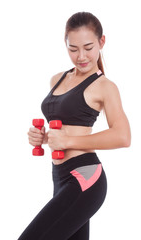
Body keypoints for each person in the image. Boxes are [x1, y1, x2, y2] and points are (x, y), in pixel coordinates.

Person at [18, 12, 131, 240]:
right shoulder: (57, 79)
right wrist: (42, 137)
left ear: (102, 42)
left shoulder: (105, 87)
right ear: (65, 44)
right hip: (59, 175)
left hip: (85, 177)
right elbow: (62, 129)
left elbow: (123, 136)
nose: (81, 56)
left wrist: (69, 141)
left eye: (88, 47)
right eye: (73, 49)